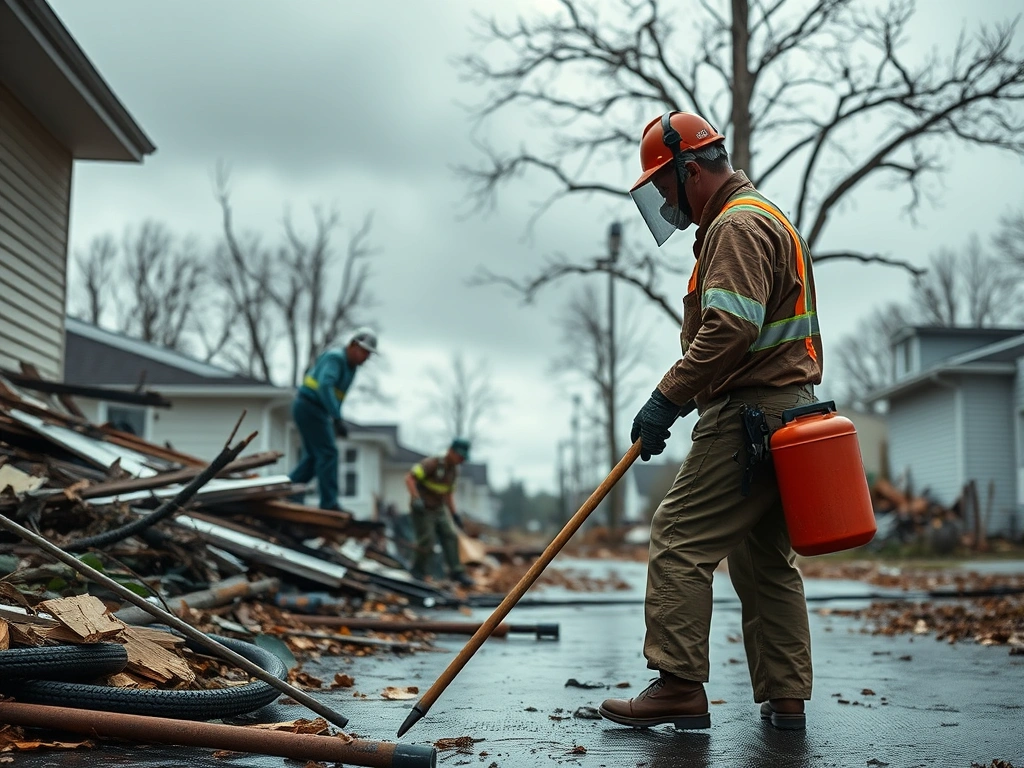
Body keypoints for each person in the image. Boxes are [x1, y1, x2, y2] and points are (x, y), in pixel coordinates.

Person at [599, 112, 822, 732]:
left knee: (677, 537)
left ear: (690, 170)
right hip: (788, 414)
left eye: (665, 189)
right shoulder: (766, 217)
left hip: (747, 415)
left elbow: (730, 328)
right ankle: (785, 698)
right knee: (763, 561)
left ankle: (677, 686)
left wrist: (666, 398)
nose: (667, 205)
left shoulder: (737, 225)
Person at [287, 328, 377, 510]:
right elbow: (325, 386)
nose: (366, 357)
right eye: (364, 352)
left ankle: (288, 491)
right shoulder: (336, 358)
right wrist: (336, 418)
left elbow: (337, 396)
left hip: (317, 411)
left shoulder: (351, 369)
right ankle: (329, 503)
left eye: (369, 354)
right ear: (353, 345)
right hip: (309, 407)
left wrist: (335, 417)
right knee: (328, 453)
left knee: (314, 457)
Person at [405, 438, 474, 587]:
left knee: (450, 534)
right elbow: (409, 478)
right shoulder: (432, 464)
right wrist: (416, 498)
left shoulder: (453, 471)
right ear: (451, 451)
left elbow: (448, 494)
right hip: (423, 508)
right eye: (459, 457)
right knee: (427, 540)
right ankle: (418, 572)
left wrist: (454, 515)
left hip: (439, 508)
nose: (461, 461)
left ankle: (456, 571)